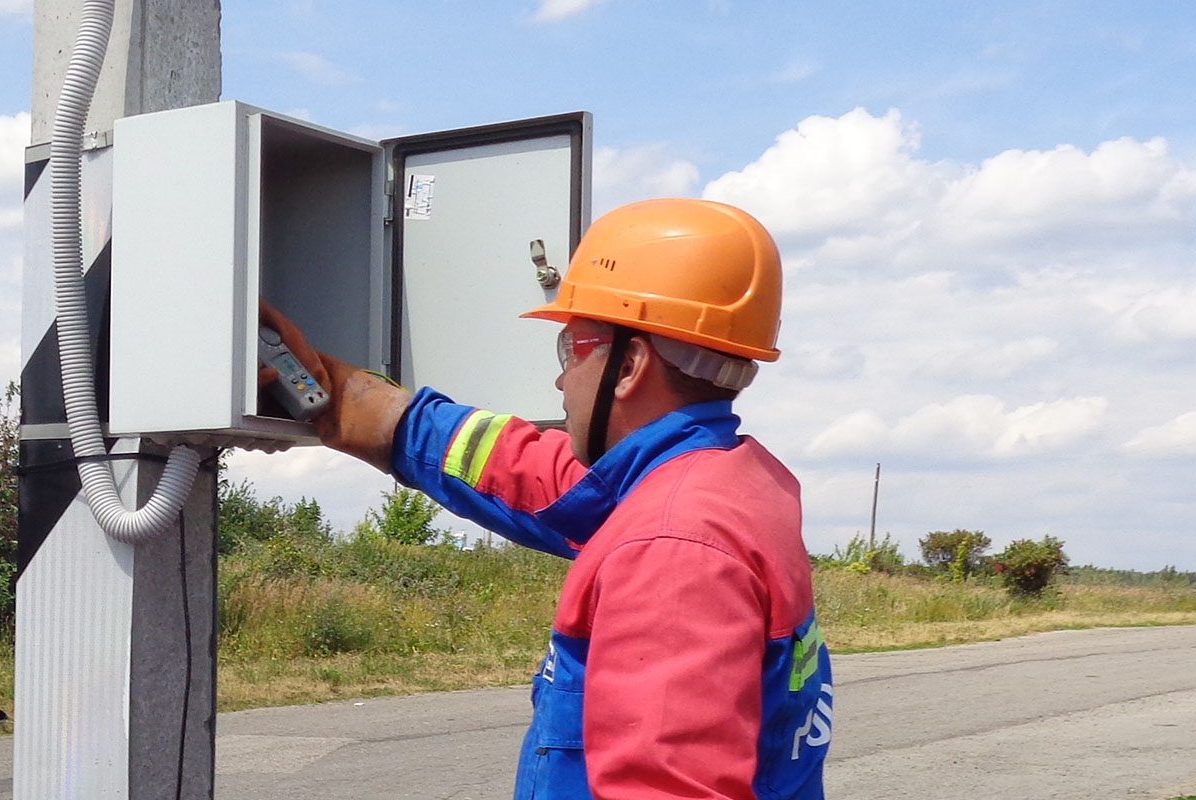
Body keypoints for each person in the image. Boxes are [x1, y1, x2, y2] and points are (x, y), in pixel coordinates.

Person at [261, 198, 833, 799]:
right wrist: (340, 393)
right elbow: (526, 470)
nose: (561, 379)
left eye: (573, 348)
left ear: (631, 364)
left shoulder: (674, 547)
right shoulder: (722, 482)